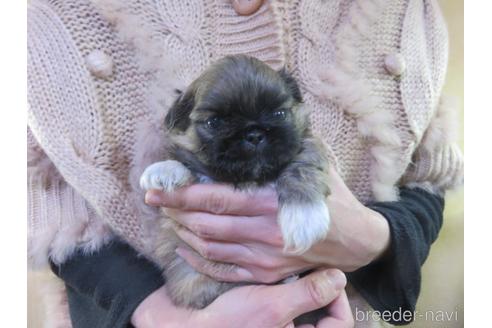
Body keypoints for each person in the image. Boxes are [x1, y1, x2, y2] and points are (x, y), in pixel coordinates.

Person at [27, 0, 463, 327]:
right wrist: (161, 316)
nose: (255, 135)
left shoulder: (404, 11)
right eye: (218, 122)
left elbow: (426, 176)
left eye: (277, 116)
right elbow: (44, 196)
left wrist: (372, 239)